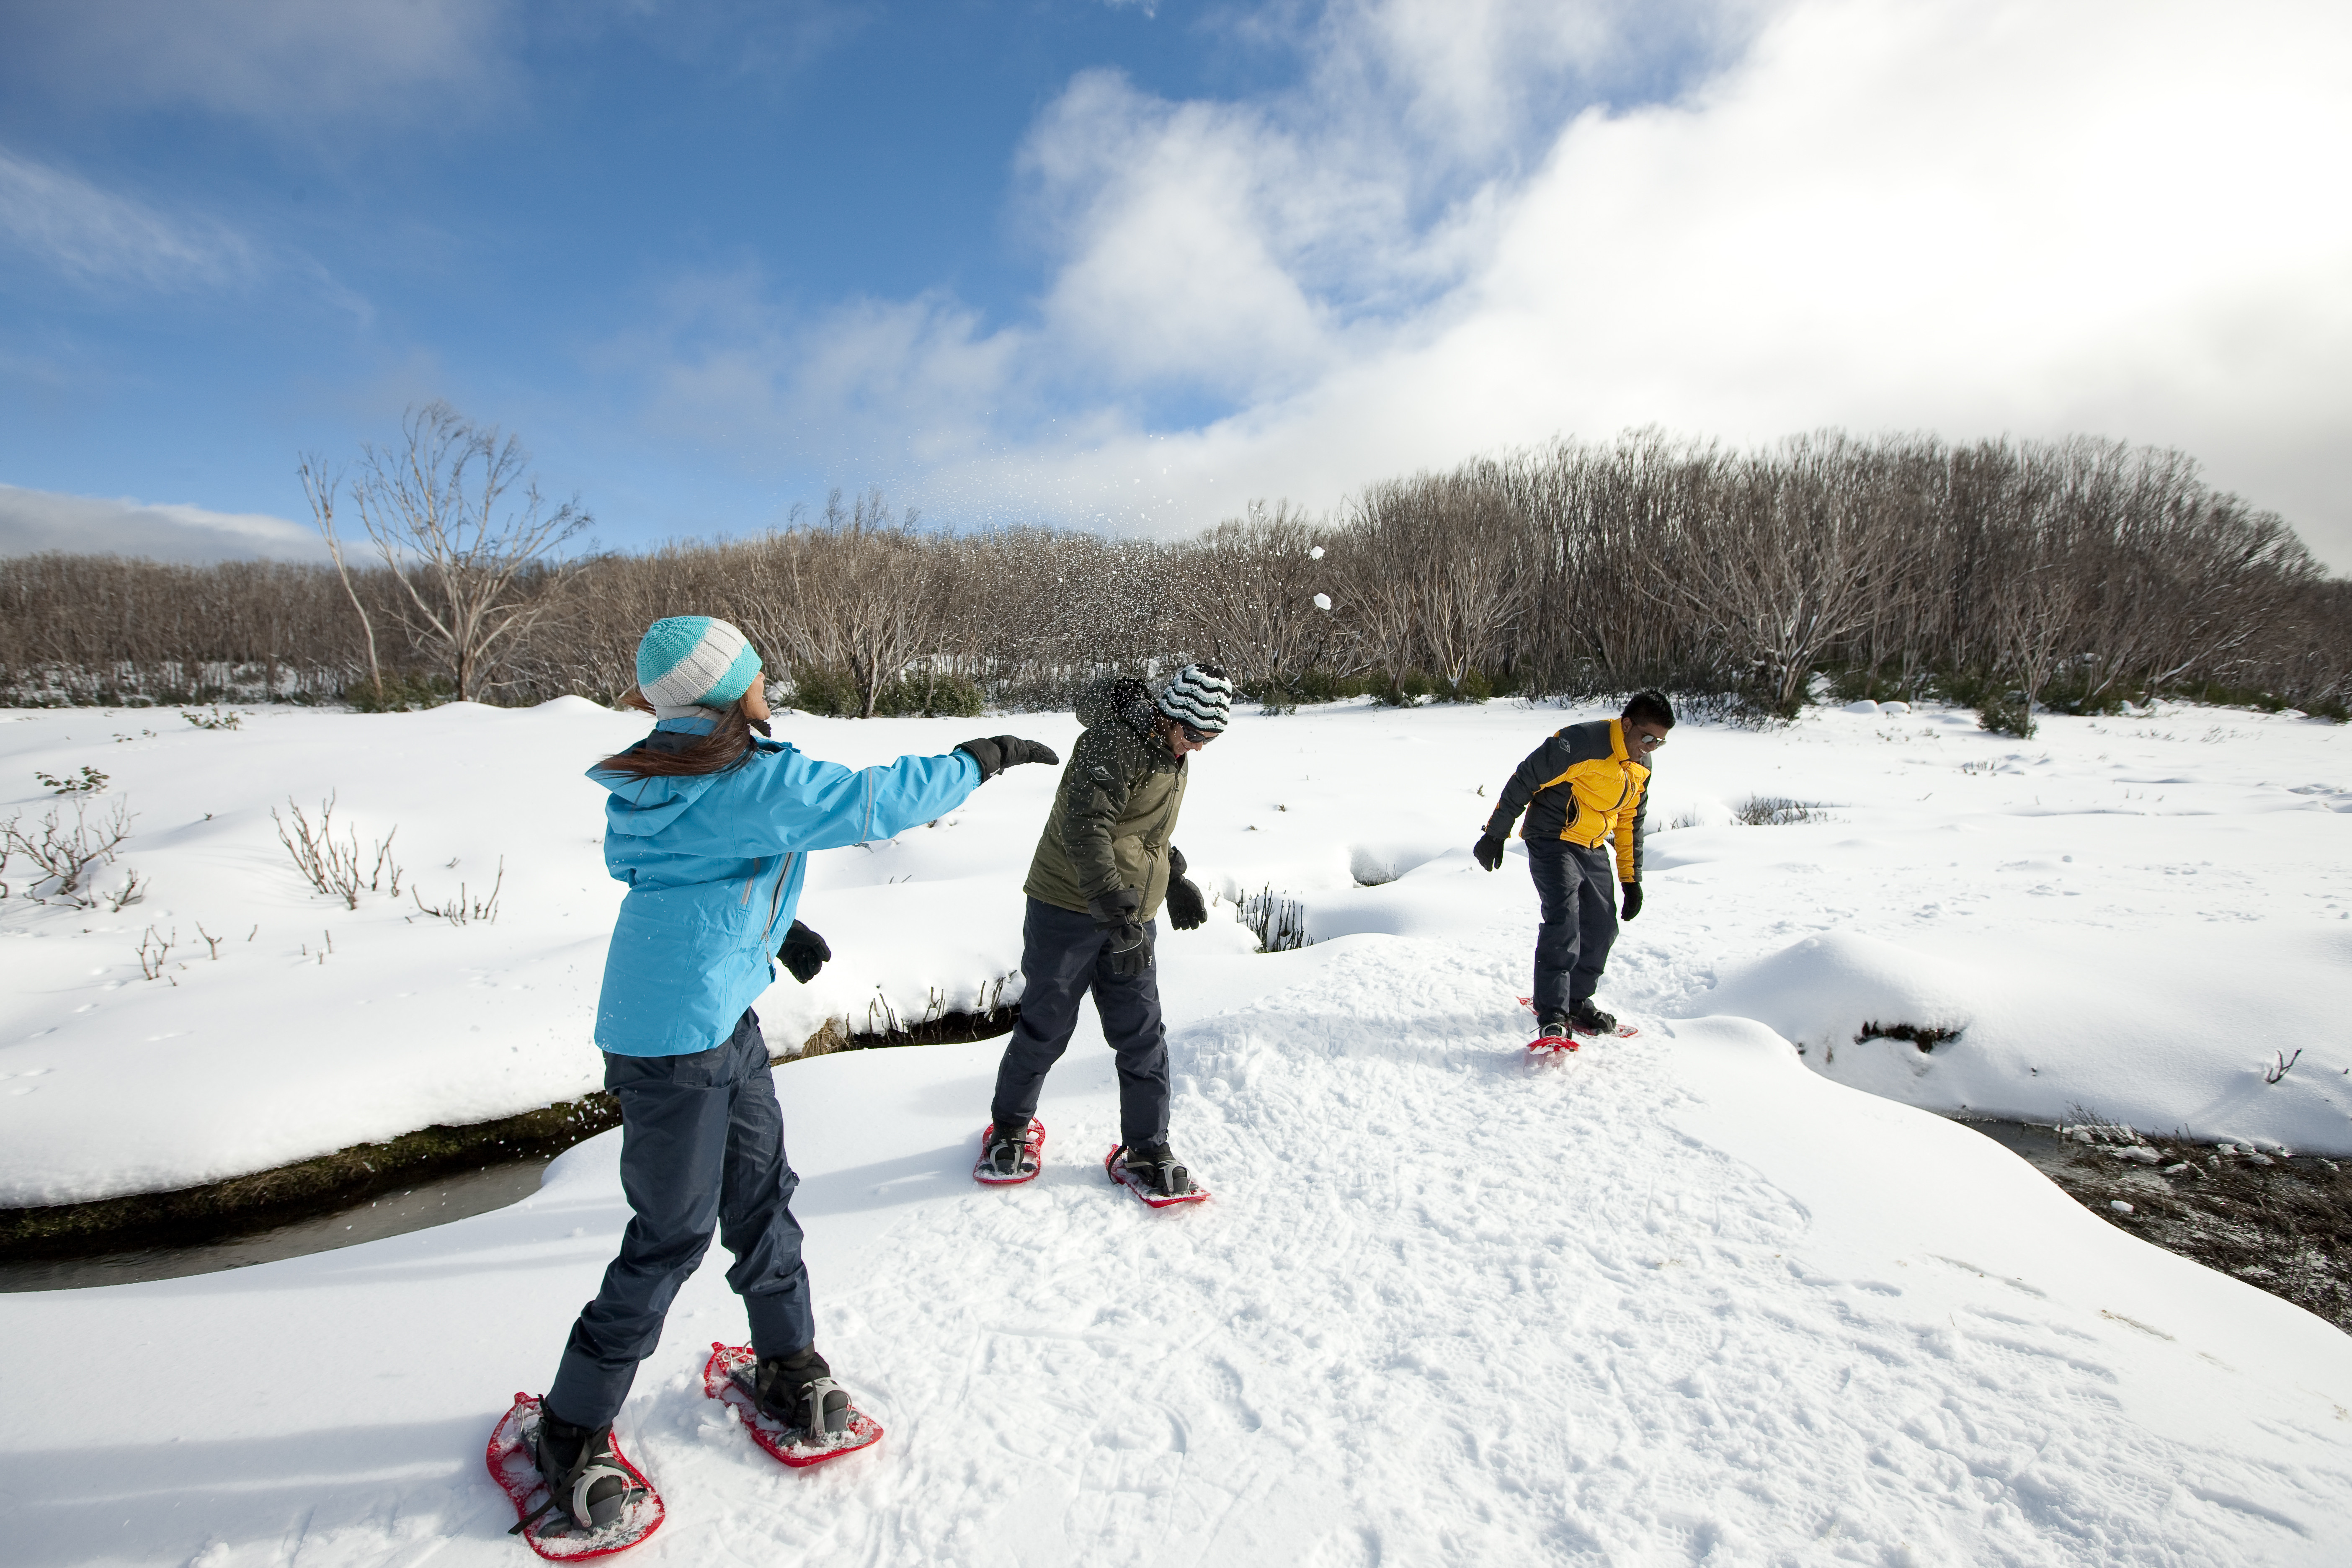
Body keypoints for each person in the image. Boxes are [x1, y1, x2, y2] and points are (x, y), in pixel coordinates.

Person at [529, 615, 1056, 1530]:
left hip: (718, 1011)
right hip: (670, 1040)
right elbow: (869, 803)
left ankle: (786, 1362)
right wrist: (983, 754)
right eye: (755, 668)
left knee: (765, 1196)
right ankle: (571, 1426)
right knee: (671, 1235)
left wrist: (777, 930)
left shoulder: (678, 769)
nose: (767, 676)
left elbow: (698, 870)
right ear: (728, 689)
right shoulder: (746, 778)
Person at [977, 663, 1235, 1198]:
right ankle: (1008, 1129)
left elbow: (1143, 833)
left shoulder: (1172, 750)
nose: (1199, 748)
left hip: (1130, 915)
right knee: (1046, 1027)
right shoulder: (1112, 743)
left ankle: (1146, 1147)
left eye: (1210, 739)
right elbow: (1087, 827)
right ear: (1169, 716)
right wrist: (1114, 910)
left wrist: (1177, 877)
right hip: (1067, 906)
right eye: (1193, 735)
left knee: (1142, 1034)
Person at [1473, 691, 1673, 1040]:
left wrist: (1631, 880)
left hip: (1592, 846)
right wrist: (1495, 833)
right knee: (1564, 919)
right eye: (1646, 738)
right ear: (1626, 724)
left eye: (1659, 742)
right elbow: (1527, 778)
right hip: (1552, 836)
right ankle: (1552, 1012)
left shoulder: (1642, 765)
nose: (1650, 747)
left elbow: (1630, 821)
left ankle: (1577, 1001)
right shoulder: (1582, 742)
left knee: (1602, 927)